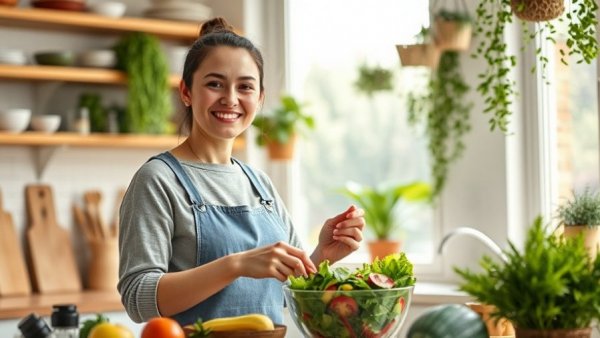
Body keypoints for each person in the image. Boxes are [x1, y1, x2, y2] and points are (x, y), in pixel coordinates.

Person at [117, 17, 365, 326]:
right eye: (214, 83)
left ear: (259, 98)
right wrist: (235, 265)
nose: (230, 99)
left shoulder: (259, 183)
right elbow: (137, 298)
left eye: (245, 86)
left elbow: (288, 292)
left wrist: (322, 255)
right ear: (186, 92)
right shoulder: (158, 180)